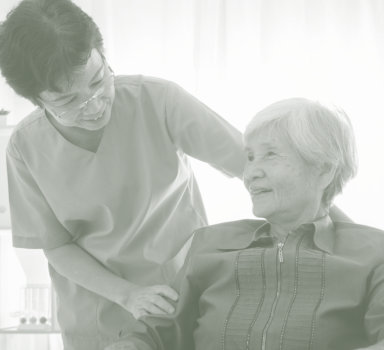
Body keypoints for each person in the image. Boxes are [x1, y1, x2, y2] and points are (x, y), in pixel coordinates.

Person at [0, 0, 245, 349]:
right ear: (37, 101)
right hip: (97, 320)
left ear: (102, 54)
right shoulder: (25, 148)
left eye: (99, 81)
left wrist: (340, 241)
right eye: (69, 102)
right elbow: (56, 246)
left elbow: (258, 166)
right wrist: (128, 295)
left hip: (180, 302)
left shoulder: (158, 100)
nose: (95, 105)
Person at [106, 98, 384, 350]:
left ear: (324, 169)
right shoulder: (210, 243)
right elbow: (157, 332)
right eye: (250, 157)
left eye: (270, 155)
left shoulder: (373, 254)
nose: (251, 173)